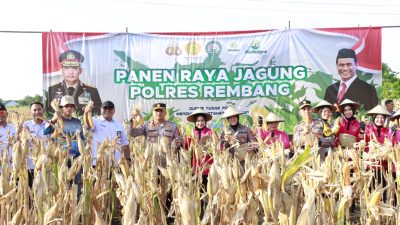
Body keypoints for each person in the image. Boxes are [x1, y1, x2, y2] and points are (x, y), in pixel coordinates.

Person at [44, 95, 84, 195]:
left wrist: (83, 153)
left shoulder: (77, 121)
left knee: (77, 182)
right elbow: (45, 132)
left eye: (71, 106)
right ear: (62, 108)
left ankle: (76, 204)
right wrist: (53, 119)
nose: (69, 108)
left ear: (74, 108)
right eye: (66, 106)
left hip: (75, 157)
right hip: (61, 158)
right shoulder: (56, 120)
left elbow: (82, 138)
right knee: (61, 183)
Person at [47, 50, 102, 115]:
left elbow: (99, 112)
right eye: (67, 68)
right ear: (61, 71)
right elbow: (47, 112)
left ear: (80, 70)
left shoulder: (92, 90)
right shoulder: (52, 89)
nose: (71, 72)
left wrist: (88, 113)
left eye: (75, 68)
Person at [84, 101, 130, 167]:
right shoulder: (95, 120)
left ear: (114, 110)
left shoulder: (118, 124)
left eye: (110, 108)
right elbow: (88, 126)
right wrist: (86, 113)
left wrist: (128, 159)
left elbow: (125, 142)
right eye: (105, 108)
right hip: (99, 163)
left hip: (116, 163)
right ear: (101, 109)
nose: (107, 110)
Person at [21, 102, 49, 186]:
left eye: (39, 109)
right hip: (30, 165)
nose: (37, 112)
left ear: (43, 110)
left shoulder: (48, 124)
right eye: (34, 110)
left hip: (45, 164)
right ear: (30, 112)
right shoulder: (26, 125)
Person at [0, 104, 17, 171]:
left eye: (2, 112)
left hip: (12, 167)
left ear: (7, 114)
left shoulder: (14, 127)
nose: (0, 115)